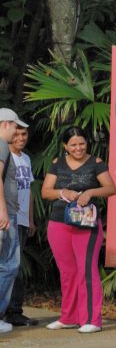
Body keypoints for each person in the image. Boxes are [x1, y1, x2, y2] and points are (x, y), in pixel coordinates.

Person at [39, 126, 116, 334]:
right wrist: (62, 192)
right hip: (58, 223)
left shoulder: (96, 163)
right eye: (73, 144)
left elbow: (111, 188)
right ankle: (69, 317)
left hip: (87, 224)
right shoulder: (57, 163)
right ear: (65, 146)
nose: (78, 147)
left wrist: (90, 191)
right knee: (68, 272)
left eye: (81, 143)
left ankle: (92, 319)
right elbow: (45, 191)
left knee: (87, 271)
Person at [5, 124, 38, 326]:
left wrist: (31, 219)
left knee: (16, 267)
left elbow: (30, 191)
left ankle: (14, 311)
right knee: (10, 267)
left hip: (23, 221)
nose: (20, 137)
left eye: (24, 133)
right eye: (16, 133)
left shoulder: (25, 158)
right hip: (9, 219)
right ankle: (10, 312)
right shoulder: (4, 156)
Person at [0, 108, 29, 334]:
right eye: (13, 127)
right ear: (5, 124)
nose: (15, 133)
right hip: (5, 217)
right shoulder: (1, 144)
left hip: (11, 212)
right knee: (9, 265)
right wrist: (3, 210)